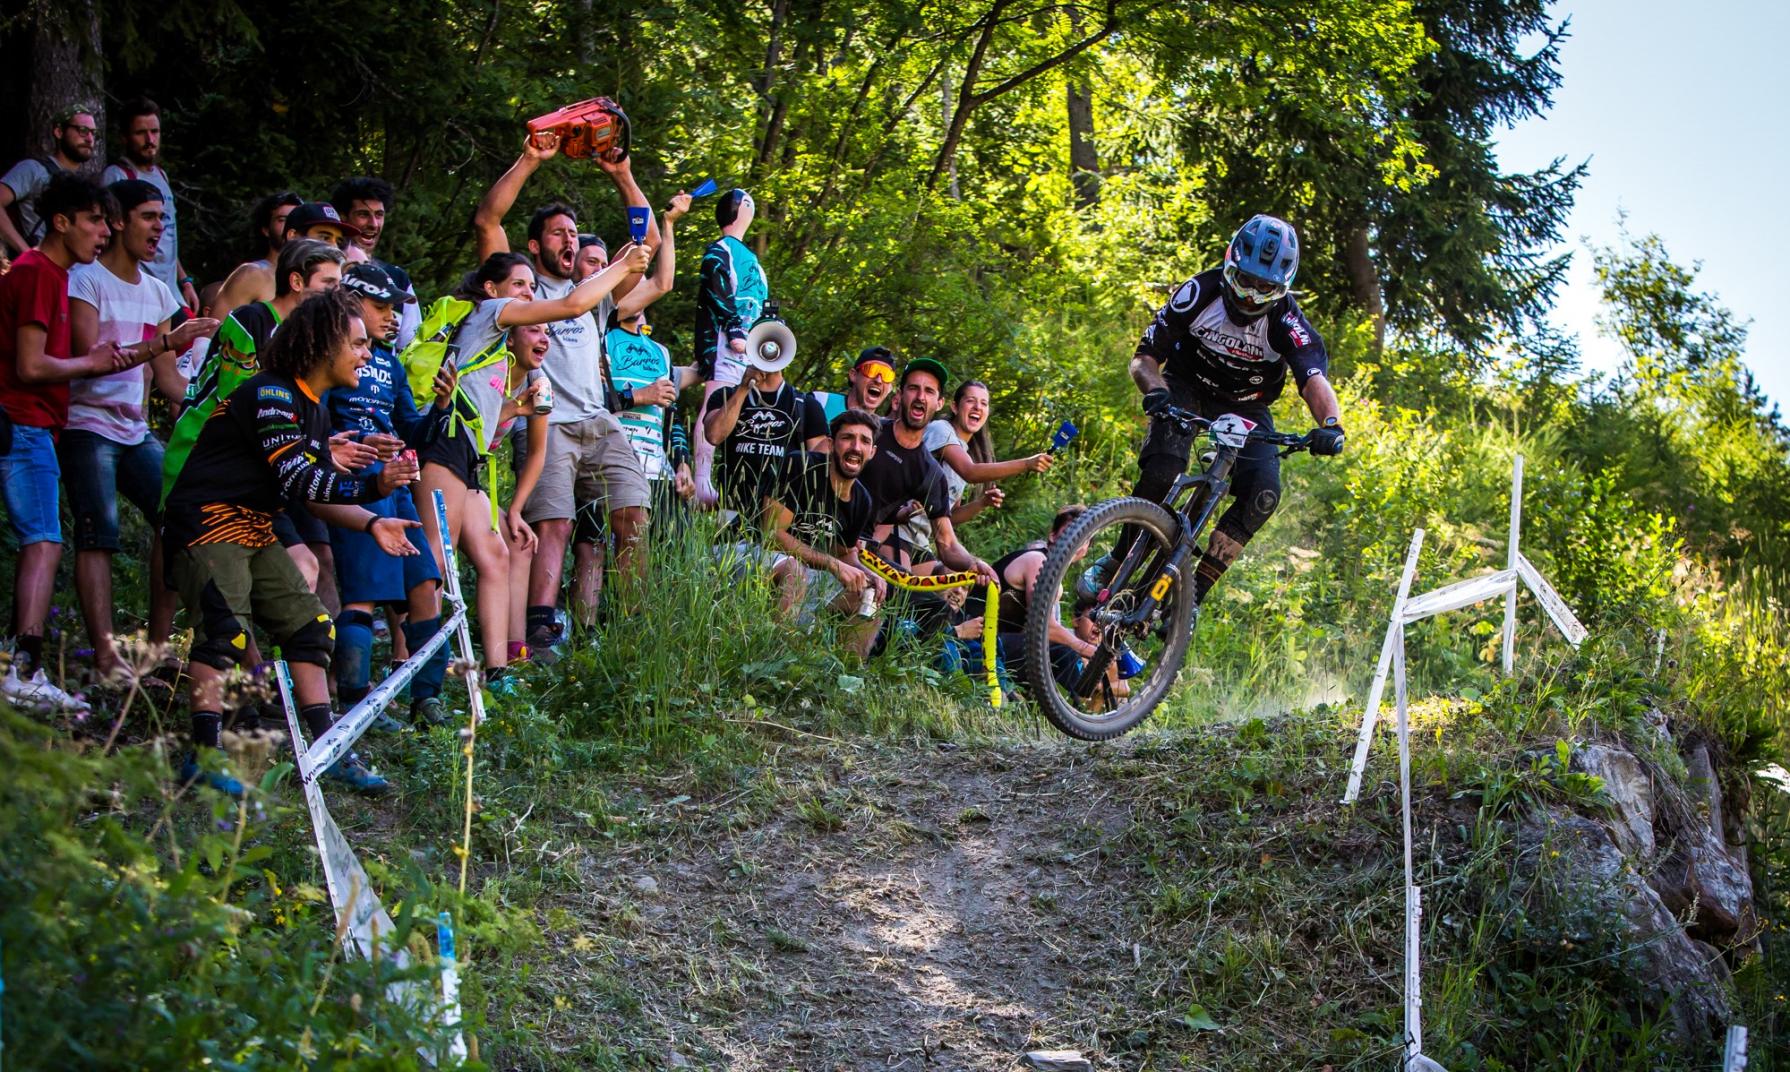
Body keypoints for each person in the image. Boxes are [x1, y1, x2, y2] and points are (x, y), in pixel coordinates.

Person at [163, 288, 415, 796]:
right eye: (359, 343)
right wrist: (375, 486)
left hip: (255, 525)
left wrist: (371, 521)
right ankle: (203, 758)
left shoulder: (315, 409)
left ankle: (328, 749)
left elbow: (309, 492)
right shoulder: (272, 393)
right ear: (325, 343)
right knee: (225, 633)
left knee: (310, 628)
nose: (367, 354)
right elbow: (303, 481)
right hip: (208, 522)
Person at [1078, 215, 1344, 609]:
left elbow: (1313, 380)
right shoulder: (1199, 293)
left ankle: (1192, 597)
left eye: (1266, 288)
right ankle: (1117, 559)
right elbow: (1144, 358)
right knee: (1163, 468)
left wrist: (1331, 425)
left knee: (1265, 493)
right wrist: (1155, 392)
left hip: (1246, 403)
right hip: (1186, 386)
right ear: (1229, 264)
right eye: (1244, 281)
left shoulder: (1287, 321)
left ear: (1283, 288)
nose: (1252, 297)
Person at [415, 247, 648, 688]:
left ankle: (500, 666)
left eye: (530, 288)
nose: (527, 294)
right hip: (443, 448)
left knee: (501, 551)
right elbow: (573, 305)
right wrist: (623, 268)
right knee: (436, 564)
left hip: (469, 463)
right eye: (521, 285)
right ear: (493, 288)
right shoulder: (494, 311)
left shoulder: (504, 352)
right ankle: (414, 670)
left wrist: (515, 412)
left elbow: (488, 408)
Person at [471, 131, 664, 655]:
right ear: (534, 246)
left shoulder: (594, 292)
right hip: (545, 421)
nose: (570, 241)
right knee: (552, 524)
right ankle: (538, 634)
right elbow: (488, 221)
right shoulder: (520, 289)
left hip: (600, 421)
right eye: (558, 233)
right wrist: (529, 159)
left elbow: (647, 249)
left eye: (574, 232)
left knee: (634, 518)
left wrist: (623, 174)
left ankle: (632, 629)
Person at [0, 175, 157, 711]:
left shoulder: (50, 274)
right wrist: (89, 362)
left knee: (44, 539)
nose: (104, 231)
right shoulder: (40, 274)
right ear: (61, 222)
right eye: (94, 220)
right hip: (22, 423)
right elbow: (30, 364)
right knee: (44, 541)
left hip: (35, 424)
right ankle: (23, 670)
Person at [64, 178, 216, 685]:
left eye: (162, 219)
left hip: (132, 431)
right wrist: (165, 343)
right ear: (119, 221)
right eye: (149, 217)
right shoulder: (85, 279)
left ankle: (154, 651)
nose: (158, 228)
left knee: (175, 518)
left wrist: (217, 409)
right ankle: (108, 662)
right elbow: (89, 360)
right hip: (85, 424)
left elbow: (171, 380)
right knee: (98, 535)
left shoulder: (158, 292)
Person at [162, 239, 348, 590]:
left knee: (303, 565)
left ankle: (288, 643)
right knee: (184, 574)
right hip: (198, 461)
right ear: (296, 282)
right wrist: (307, 450)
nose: (338, 295)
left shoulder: (305, 337)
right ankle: (158, 643)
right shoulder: (253, 319)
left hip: (254, 469)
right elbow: (241, 408)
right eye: (329, 285)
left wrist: (319, 447)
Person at [330, 262, 456, 727]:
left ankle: (427, 701)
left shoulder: (389, 363)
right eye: (380, 307)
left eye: (396, 309)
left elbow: (412, 431)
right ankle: (354, 705)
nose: (392, 318)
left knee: (426, 583)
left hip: (399, 481)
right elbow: (316, 422)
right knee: (364, 592)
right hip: (357, 480)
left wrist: (440, 406)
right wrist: (353, 448)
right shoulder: (328, 354)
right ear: (350, 302)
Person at [856, 357, 998, 588]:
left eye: (929, 391)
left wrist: (974, 563)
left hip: (870, 552)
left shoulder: (931, 473)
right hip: (830, 539)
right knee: (886, 588)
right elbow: (821, 464)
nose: (921, 397)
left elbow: (947, 542)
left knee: (933, 608)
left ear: (939, 402)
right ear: (900, 395)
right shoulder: (869, 431)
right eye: (914, 388)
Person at [762, 411, 888, 658]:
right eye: (848, 438)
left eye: (864, 441)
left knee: (868, 599)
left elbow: (844, 553)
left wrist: (867, 574)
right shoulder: (799, 465)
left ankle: (843, 678)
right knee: (795, 572)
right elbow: (771, 535)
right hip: (752, 554)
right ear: (831, 444)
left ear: (872, 451)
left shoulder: (862, 500)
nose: (855, 447)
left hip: (808, 570)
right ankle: (776, 664)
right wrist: (832, 564)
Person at [899, 378, 1054, 558]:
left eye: (984, 403)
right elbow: (970, 471)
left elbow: (951, 515)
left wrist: (981, 504)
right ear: (955, 407)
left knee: (961, 585)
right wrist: (1027, 464)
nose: (978, 407)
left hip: (920, 542)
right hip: (899, 531)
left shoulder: (964, 453)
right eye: (971, 401)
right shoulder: (940, 429)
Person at [691, 187, 768, 506]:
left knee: (746, 412)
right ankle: (700, 480)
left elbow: (763, 303)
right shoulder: (720, 250)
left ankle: (739, 484)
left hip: (751, 348)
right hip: (724, 345)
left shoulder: (752, 261)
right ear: (740, 210)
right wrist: (735, 328)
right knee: (715, 402)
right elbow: (717, 289)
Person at [700, 342, 829, 527]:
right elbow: (713, 435)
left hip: (784, 514)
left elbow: (818, 466)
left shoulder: (807, 404)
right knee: (725, 555)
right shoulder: (725, 395)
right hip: (732, 509)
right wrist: (743, 389)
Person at [99, 99, 198, 310]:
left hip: (171, 292)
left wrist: (184, 281)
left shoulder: (161, 176)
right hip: (138, 291)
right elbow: (105, 234)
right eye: (141, 133)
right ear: (125, 137)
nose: (150, 139)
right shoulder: (117, 176)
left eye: (155, 132)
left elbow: (168, 234)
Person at [210, 201, 362, 316]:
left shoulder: (331, 286)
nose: (333, 246)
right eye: (324, 237)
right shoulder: (253, 275)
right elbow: (209, 342)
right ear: (293, 236)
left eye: (338, 241)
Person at [332, 176, 421, 349]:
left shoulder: (398, 278)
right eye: (363, 214)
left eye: (379, 215)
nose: (373, 224)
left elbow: (411, 345)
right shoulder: (327, 272)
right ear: (343, 218)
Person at [0, 105, 98, 255]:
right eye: (82, 130)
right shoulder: (33, 169)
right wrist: (26, 252)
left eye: (93, 133)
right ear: (59, 132)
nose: (89, 139)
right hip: (36, 268)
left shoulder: (83, 184)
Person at [811, 346, 897, 424]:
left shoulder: (883, 431)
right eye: (871, 370)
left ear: (890, 388)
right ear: (853, 375)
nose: (878, 380)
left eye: (887, 375)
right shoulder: (820, 402)